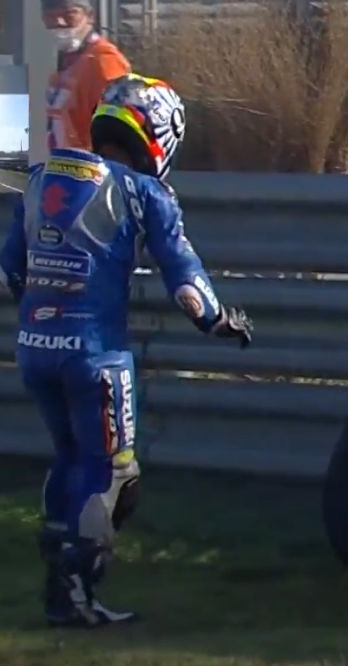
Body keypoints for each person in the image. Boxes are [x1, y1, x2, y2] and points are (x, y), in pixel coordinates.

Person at [0, 74, 254, 627]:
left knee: (69, 458)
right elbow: (185, 278)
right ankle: (77, 596)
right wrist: (217, 322)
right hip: (97, 354)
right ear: (159, 133)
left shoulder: (41, 176)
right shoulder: (146, 192)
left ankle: (55, 586)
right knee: (115, 473)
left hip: (35, 348)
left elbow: (9, 268)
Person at [38, 0, 131, 152]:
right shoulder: (66, 62)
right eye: (51, 16)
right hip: (65, 169)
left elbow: (118, 131)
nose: (59, 22)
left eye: (69, 14)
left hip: (92, 173)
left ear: (90, 16)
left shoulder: (104, 61)